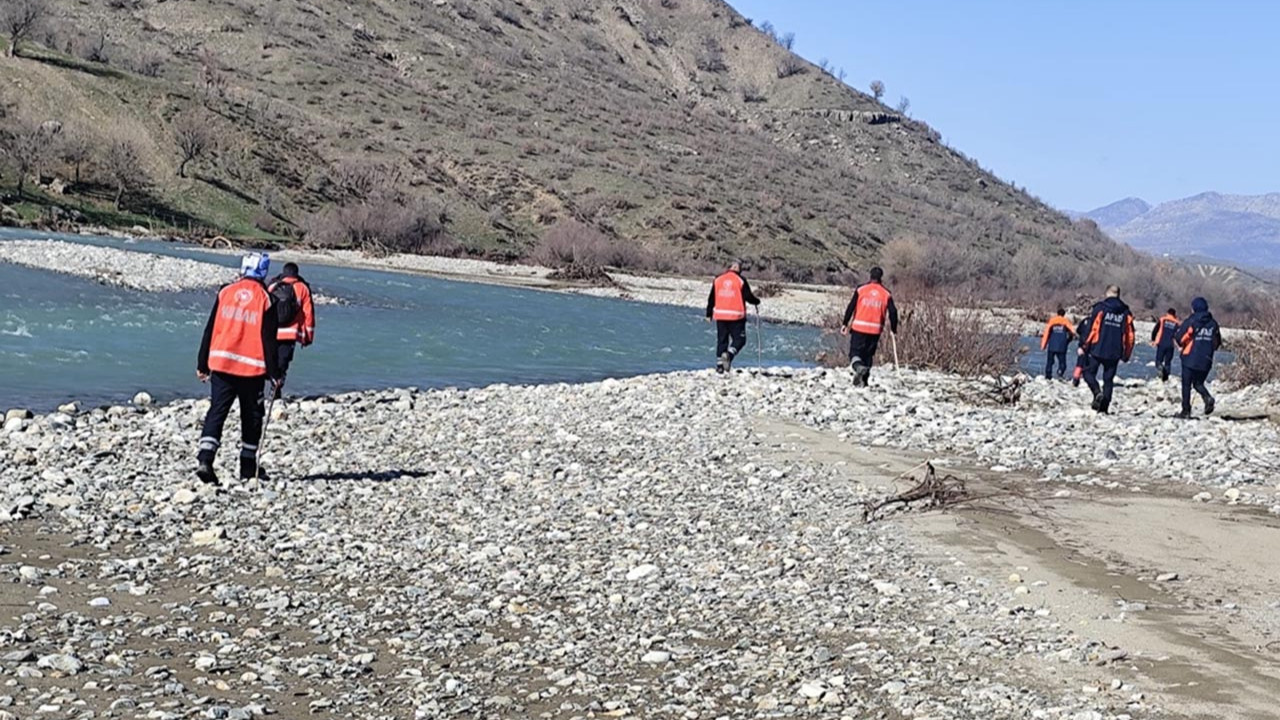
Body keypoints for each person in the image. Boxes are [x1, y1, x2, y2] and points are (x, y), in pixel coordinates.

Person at [195, 253, 281, 486]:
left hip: (221, 365)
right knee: (252, 416)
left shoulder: (225, 292)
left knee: (217, 411)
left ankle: (205, 458)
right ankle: (247, 466)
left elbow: (210, 329)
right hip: (251, 371)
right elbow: (269, 341)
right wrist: (275, 374)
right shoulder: (267, 300)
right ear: (263, 272)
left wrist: (202, 363)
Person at [1079, 285, 1135, 414]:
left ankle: (1097, 392)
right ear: (1118, 294)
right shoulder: (1126, 312)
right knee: (1108, 380)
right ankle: (1104, 408)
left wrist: (1084, 345)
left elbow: (1092, 328)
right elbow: (1130, 335)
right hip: (1115, 351)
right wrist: (1127, 353)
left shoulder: (1100, 308)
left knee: (1088, 373)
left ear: (1107, 293)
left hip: (1097, 347)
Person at [840, 267, 899, 387]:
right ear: (881, 277)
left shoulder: (861, 290)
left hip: (859, 328)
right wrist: (893, 328)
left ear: (870, 276)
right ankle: (864, 380)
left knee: (855, 354)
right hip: (875, 330)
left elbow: (851, 307)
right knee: (868, 355)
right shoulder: (886, 293)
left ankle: (858, 368)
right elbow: (893, 312)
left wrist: (845, 323)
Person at [267, 262, 316, 396]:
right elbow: (308, 314)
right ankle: (275, 388)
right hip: (290, 334)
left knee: (270, 359)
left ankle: (262, 386)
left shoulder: (273, 285)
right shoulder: (303, 288)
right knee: (283, 363)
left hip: (272, 331)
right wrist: (308, 337)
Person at [705, 261, 761, 373]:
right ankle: (729, 355)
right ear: (738, 269)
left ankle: (720, 366)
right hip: (736, 316)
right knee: (740, 340)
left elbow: (712, 297)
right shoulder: (740, 280)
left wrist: (709, 313)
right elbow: (748, 296)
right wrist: (757, 301)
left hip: (721, 314)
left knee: (722, 340)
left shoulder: (718, 279)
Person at [1175, 297, 1222, 418]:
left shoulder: (1191, 321)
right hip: (1206, 359)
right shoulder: (1213, 324)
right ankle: (1207, 398)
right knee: (1198, 383)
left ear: (1194, 308)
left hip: (1190, 357)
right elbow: (1217, 343)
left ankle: (1186, 411)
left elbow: (1180, 338)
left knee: (1186, 384)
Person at [1040, 307, 1077, 380]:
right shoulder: (1066, 321)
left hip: (1052, 346)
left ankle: (1048, 376)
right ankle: (1060, 372)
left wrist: (1043, 345)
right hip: (1062, 346)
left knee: (1050, 362)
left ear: (1057, 314)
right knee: (1062, 363)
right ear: (1064, 314)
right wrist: (1068, 341)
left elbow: (1046, 333)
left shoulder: (1052, 321)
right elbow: (1073, 332)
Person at [1151, 308, 1180, 382]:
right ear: (1174, 315)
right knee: (1168, 361)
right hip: (1171, 344)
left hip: (1161, 343)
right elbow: (1179, 335)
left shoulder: (1162, 320)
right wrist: (1180, 345)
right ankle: (1166, 378)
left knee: (1158, 360)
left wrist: (1153, 339)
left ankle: (1160, 368)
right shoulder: (1177, 323)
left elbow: (1155, 330)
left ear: (1167, 313)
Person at [1071, 314, 1092, 387]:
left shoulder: (1085, 321)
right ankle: (1087, 378)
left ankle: (1076, 378)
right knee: (1089, 363)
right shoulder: (1097, 322)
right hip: (1091, 345)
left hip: (1082, 344)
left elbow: (1078, 330)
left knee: (1080, 362)